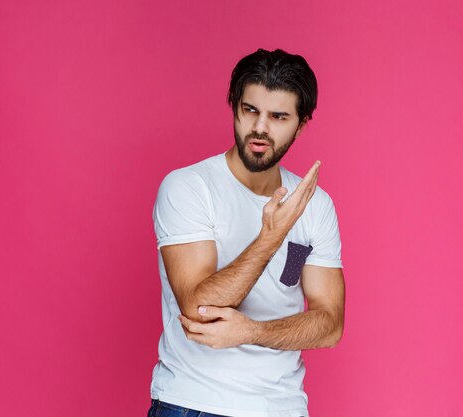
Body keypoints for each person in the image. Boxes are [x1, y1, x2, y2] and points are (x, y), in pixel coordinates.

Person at [147, 48, 345, 417]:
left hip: (283, 408)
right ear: (235, 107)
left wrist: (251, 332)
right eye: (250, 110)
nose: (260, 128)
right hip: (194, 404)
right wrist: (272, 236)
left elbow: (330, 324)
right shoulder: (188, 188)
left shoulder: (315, 205)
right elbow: (199, 306)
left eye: (278, 116)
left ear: (301, 124)